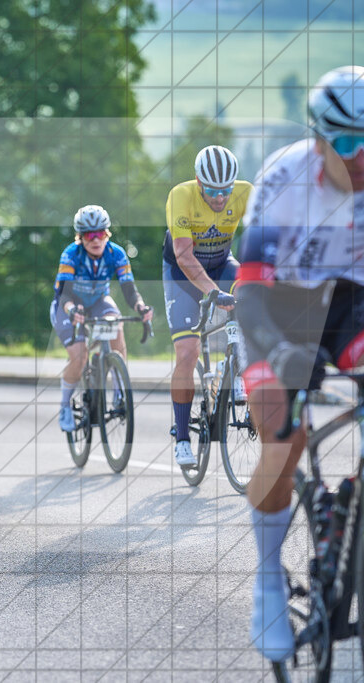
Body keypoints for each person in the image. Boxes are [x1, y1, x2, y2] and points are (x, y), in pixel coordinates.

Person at [235, 65, 364, 663]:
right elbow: (249, 292)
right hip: (278, 306)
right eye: (346, 142)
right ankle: (267, 580)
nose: (360, 157)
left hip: (349, 302)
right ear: (318, 141)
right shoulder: (283, 180)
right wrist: (283, 352)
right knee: (282, 433)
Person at [163, 145, 252, 467]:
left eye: (226, 190)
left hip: (222, 263)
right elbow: (184, 256)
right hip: (181, 274)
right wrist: (214, 292)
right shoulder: (181, 196)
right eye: (213, 191)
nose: (220, 197)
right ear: (199, 183)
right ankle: (182, 437)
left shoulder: (245, 192)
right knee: (187, 352)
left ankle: (240, 363)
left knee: (254, 297)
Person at [52, 206, 153, 431]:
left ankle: (118, 391)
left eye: (100, 233)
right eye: (89, 235)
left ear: (107, 233)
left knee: (115, 323)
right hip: (69, 305)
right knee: (79, 357)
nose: (96, 240)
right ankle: (65, 405)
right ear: (80, 237)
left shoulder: (117, 253)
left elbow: (129, 289)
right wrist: (71, 310)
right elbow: (64, 294)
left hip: (98, 301)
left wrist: (140, 306)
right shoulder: (71, 254)